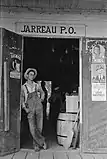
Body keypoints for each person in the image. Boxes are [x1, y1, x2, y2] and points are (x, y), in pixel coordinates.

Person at [20, 68, 47, 151]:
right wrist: (24, 108)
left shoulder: (37, 85)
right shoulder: (23, 87)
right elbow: (22, 98)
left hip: (38, 107)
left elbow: (42, 92)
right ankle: (42, 142)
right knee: (32, 128)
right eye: (30, 74)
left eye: (33, 75)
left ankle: (36, 145)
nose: (32, 76)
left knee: (39, 127)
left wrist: (41, 100)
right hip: (30, 108)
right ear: (27, 75)